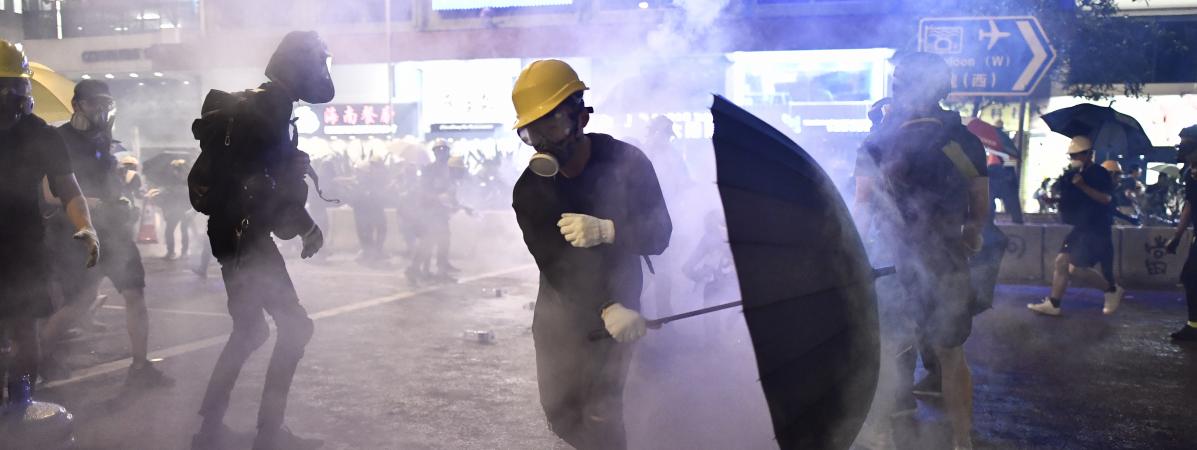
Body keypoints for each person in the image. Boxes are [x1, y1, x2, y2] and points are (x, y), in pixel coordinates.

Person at [510, 59, 671, 449]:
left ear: (581, 118)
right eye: (533, 133)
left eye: (553, 126)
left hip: (621, 305)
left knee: (602, 415)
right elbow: (558, 267)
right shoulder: (530, 191)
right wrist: (604, 306)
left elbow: (660, 235)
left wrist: (611, 230)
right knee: (562, 414)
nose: (545, 142)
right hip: (560, 313)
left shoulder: (628, 163)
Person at [189, 31, 330, 450]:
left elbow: (258, 177)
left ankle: (209, 429)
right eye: (316, 63)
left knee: (250, 331)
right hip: (245, 235)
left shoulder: (263, 103)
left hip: (232, 232)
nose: (321, 72)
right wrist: (305, 223)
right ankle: (269, 434)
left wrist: (290, 170)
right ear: (299, 67)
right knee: (295, 327)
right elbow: (262, 187)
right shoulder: (271, 108)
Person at [854, 52, 988, 450]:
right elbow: (979, 207)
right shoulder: (962, 140)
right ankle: (961, 442)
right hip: (946, 261)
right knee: (951, 356)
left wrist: (853, 254)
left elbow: (861, 205)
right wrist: (970, 236)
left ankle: (879, 436)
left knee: (889, 352)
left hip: (889, 263)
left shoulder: (878, 141)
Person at [39, 79, 172, 386]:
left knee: (135, 294)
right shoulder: (58, 140)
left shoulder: (104, 140)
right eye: (94, 103)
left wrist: (124, 201)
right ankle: (40, 358)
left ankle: (141, 367)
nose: (101, 110)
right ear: (77, 105)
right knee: (78, 303)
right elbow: (48, 193)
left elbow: (110, 182)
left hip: (114, 233)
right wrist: (93, 204)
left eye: (106, 104)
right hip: (79, 234)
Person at [0, 39, 99, 409]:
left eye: (17, 86)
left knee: (26, 331)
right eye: (4, 86)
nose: (12, 95)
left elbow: (68, 187)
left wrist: (85, 225)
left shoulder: (42, 134)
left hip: (24, 248)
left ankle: (22, 402)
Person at [1028, 136, 1125, 316]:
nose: (1074, 158)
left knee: (1074, 268)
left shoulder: (1098, 173)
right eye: (1071, 155)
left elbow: (1105, 199)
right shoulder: (1074, 175)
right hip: (1082, 227)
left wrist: (1082, 186)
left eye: (1077, 155)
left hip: (1096, 228)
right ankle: (1054, 303)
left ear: (1088, 154)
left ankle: (1111, 289)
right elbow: (1075, 199)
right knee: (1064, 264)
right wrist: (1054, 199)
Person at [1164, 125, 1197, 341]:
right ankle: (1193, 325)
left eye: (1186, 142)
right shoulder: (1189, 173)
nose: (1182, 148)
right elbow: (1189, 206)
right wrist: (1177, 236)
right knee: (1190, 277)